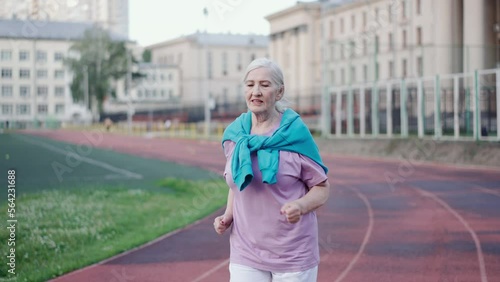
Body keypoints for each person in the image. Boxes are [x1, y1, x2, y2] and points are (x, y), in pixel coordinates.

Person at [214, 58, 330, 282]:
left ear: (279, 92)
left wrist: (300, 205)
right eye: (250, 84)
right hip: (245, 251)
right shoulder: (236, 136)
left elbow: (322, 187)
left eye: (264, 85)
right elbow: (238, 182)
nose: (255, 91)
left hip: (292, 255)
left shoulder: (295, 135)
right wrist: (228, 215)